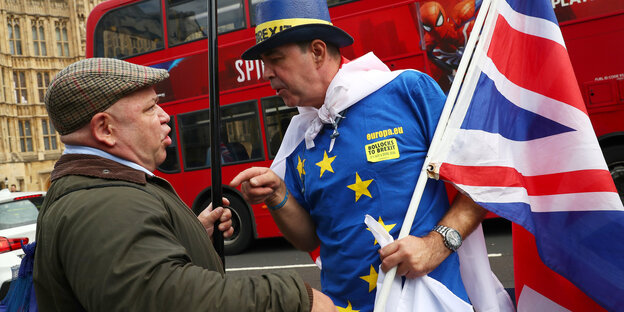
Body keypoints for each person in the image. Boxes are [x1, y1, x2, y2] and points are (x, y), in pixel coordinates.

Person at [230, 0, 503, 311]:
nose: (266, 74)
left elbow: (483, 171)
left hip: (430, 301)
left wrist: (437, 244)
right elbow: (308, 240)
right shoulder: (297, 138)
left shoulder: (408, 91)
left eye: (275, 59)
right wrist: (278, 195)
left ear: (318, 51)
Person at [34, 57, 336, 312]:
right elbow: (165, 297)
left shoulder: (102, 187)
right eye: (151, 108)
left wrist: (187, 235)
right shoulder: (102, 205)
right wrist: (295, 300)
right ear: (105, 128)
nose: (165, 116)